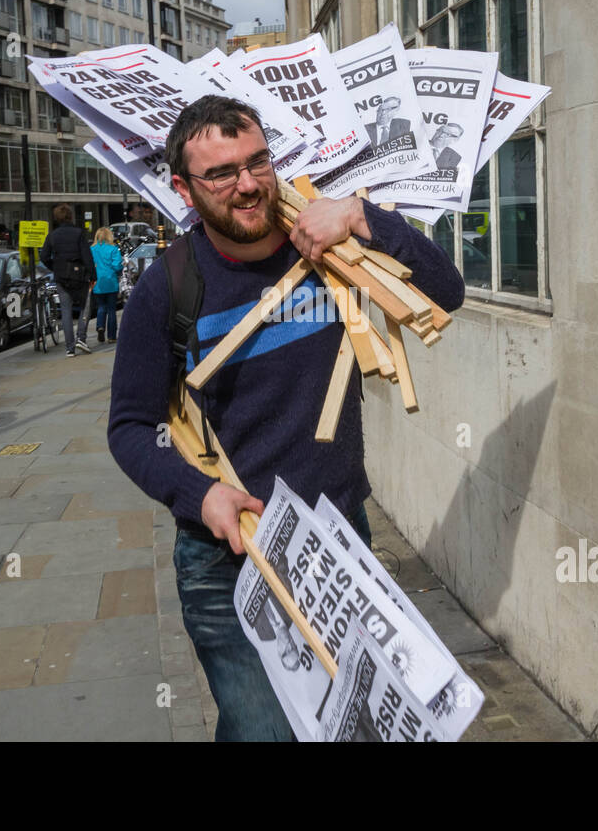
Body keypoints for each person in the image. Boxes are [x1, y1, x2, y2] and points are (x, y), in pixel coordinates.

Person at [107, 95, 464, 741]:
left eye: (257, 162)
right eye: (221, 173)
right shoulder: (168, 287)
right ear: (185, 188)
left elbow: (447, 292)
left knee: (342, 727)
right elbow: (129, 428)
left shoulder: (331, 250)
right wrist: (200, 495)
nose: (247, 184)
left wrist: (361, 215)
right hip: (228, 557)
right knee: (263, 731)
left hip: (337, 544)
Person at [40, 204, 97, 357]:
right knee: (85, 306)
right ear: (70, 216)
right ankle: (81, 338)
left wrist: (55, 267)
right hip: (79, 276)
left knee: (65, 311)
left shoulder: (52, 235)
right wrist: (93, 275)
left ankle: (69, 348)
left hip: (61, 278)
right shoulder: (79, 233)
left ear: (57, 218)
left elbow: (43, 257)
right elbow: (87, 256)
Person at [90, 227, 123, 344]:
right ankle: (112, 336)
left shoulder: (92, 249)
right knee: (111, 310)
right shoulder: (113, 249)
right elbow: (117, 265)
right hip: (111, 281)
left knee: (101, 306)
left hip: (98, 282)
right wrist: (119, 271)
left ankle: (100, 326)